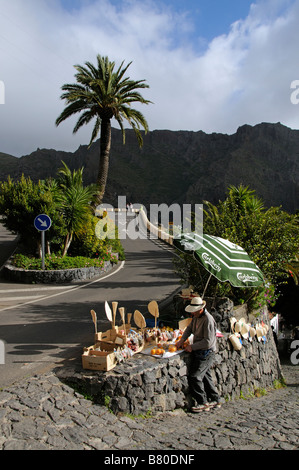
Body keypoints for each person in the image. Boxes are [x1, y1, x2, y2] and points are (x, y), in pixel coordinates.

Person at [176, 296, 221, 413]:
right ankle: (216, 399)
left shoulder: (208, 320)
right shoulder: (196, 317)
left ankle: (202, 402)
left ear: (200, 309)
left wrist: (192, 346)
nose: (192, 314)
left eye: (194, 311)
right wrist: (182, 340)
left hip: (206, 352)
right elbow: (189, 329)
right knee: (206, 375)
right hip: (200, 351)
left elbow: (208, 342)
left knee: (195, 376)